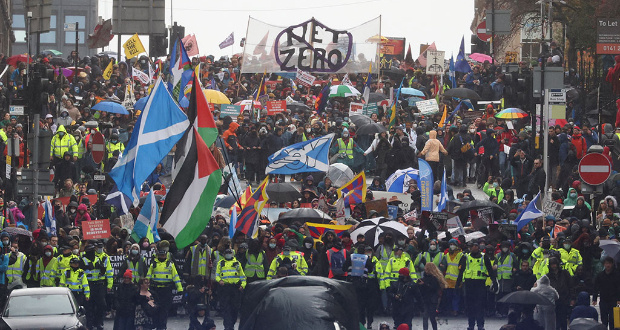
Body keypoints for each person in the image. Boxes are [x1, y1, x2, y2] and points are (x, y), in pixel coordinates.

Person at [456, 240, 497, 330]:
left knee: (480, 306)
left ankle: (480, 325)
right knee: (470, 306)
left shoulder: (484, 257)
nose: (473, 248)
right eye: (472, 246)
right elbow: (461, 271)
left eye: (475, 246)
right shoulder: (465, 257)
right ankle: (471, 325)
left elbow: (490, 270)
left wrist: (494, 281)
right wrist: (458, 283)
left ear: (478, 247)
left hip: (480, 284)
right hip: (469, 284)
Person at [147, 247, 183, 330]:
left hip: (166, 290)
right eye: (160, 255)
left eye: (163, 255)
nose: (162, 256)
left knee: (164, 310)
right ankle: (156, 324)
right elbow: (148, 276)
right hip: (155, 290)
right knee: (155, 309)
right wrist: (146, 288)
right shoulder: (154, 264)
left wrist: (180, 289)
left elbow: (175, 277)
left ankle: (162, 327)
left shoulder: (170, 264)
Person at [343, 245, 375, 329]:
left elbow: (344, 268)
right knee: (361, 305)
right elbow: (371, 269)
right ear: (364, 250)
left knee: (352, 304)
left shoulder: (351, 256)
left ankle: (351, 322)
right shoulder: (366, 258)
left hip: (351, 283)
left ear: (357, 250)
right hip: (362, 284)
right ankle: (361, 322)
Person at [216, 248, 246, 330]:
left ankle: (232, 323)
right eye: (227, 253)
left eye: (230, 253)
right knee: (226, 308)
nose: (228, 254)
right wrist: (219, 280)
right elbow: (217, 275)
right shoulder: (221, 263)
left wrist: (242, 286)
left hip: (235, 289)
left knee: (235, 308)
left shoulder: (237, 264)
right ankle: (227, 326)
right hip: (225, 288)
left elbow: (242, 276)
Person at [593, 256, 620, 329]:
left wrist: (618, 299)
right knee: (604, 320)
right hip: (603, 300)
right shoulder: (600, 275)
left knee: (612, 320)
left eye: (609, 263)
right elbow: (596, 287)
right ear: (604, 264)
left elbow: (618, 288)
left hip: (613, 300)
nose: (608, 265)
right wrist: (594, 298)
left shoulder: (616, 275)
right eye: (606, 263)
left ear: (612, 264)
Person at [419, 262, 447, 330]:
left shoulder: (434, 278)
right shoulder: (426, 277)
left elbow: (433, 288)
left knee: (431, 317)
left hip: (432, 299)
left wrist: (424, 284)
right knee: (426, 316)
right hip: (427, 299)